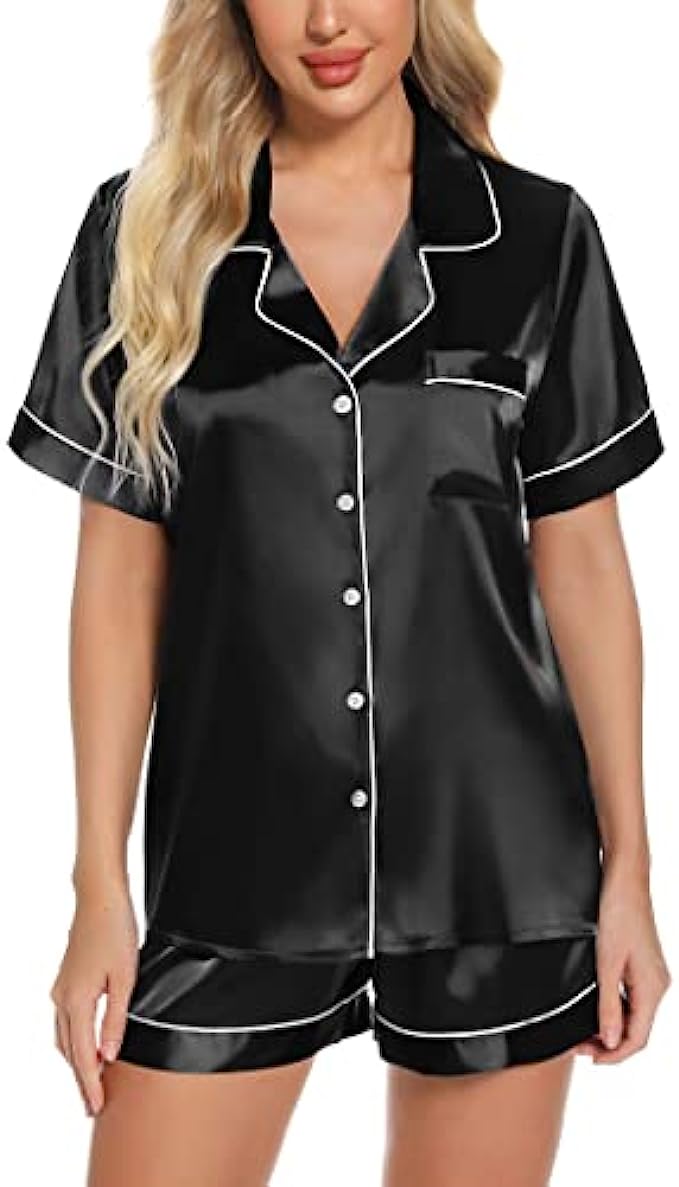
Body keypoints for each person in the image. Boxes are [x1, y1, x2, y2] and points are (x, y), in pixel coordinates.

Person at [6, 1, 672, 1184]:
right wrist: (97, 885)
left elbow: (582, 563)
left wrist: (630, 871)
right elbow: (118, 576)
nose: (326, 20)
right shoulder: (143, 231)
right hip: (233, 868)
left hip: (496, 864)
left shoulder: (538, 237)